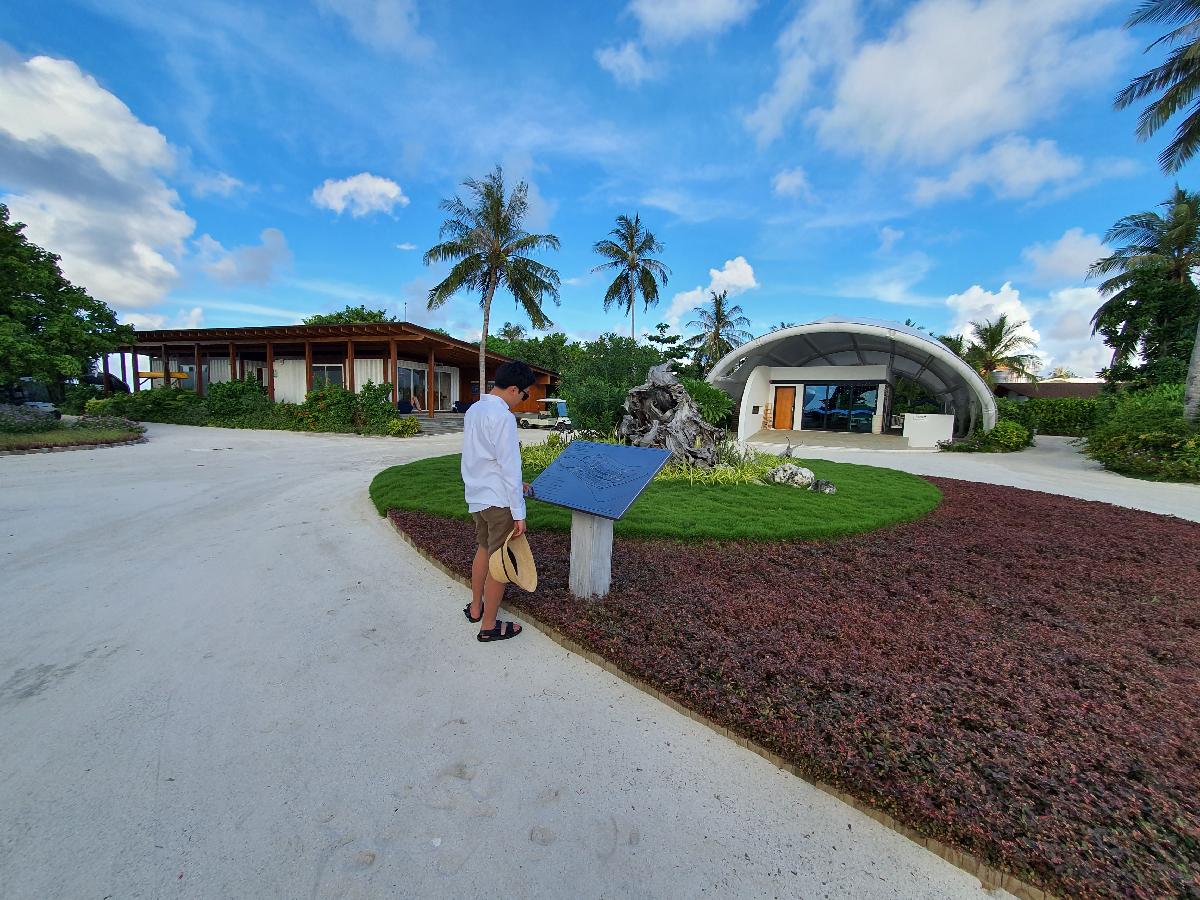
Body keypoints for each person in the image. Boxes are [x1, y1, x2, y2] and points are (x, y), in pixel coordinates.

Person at [461, 361, 536, 642]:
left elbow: (483, 456)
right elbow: (509, 465)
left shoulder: (475, 409)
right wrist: (519, 513)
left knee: (483, 548)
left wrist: (516, 484)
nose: (522, 400)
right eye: (524, 395)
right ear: (514, 389)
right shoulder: (503, 417)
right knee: (500, 562)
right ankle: (489, 626)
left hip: (478, 497)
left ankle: (476, 608)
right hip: (498, 502)